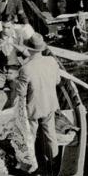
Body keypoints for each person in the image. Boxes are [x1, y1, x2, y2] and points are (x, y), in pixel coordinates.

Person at [15, 34, 63, 168]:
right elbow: (58, 81)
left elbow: (21, 94)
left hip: (33, 110)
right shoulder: (52, 61)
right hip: (50, 104)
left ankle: (30, 165)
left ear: (29, 49)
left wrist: (16, 80)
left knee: (29, 136)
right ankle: (53, 162)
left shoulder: (25, 69)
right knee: (50, 134)